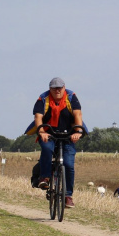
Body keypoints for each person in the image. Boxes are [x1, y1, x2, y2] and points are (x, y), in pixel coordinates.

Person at [26, 77, 84, 208]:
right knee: (47, 149)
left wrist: (78, 132)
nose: (57, 90)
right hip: (48, 133)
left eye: (59, 88)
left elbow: (78, 115)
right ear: (50, 89)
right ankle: (44, 178)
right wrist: (41, 132)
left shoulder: (71, 96)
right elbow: (38, 117)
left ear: (64, 87)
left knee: (69, 165)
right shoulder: (43, 98)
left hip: (68, 134)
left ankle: (68, 196)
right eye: (54, 88)